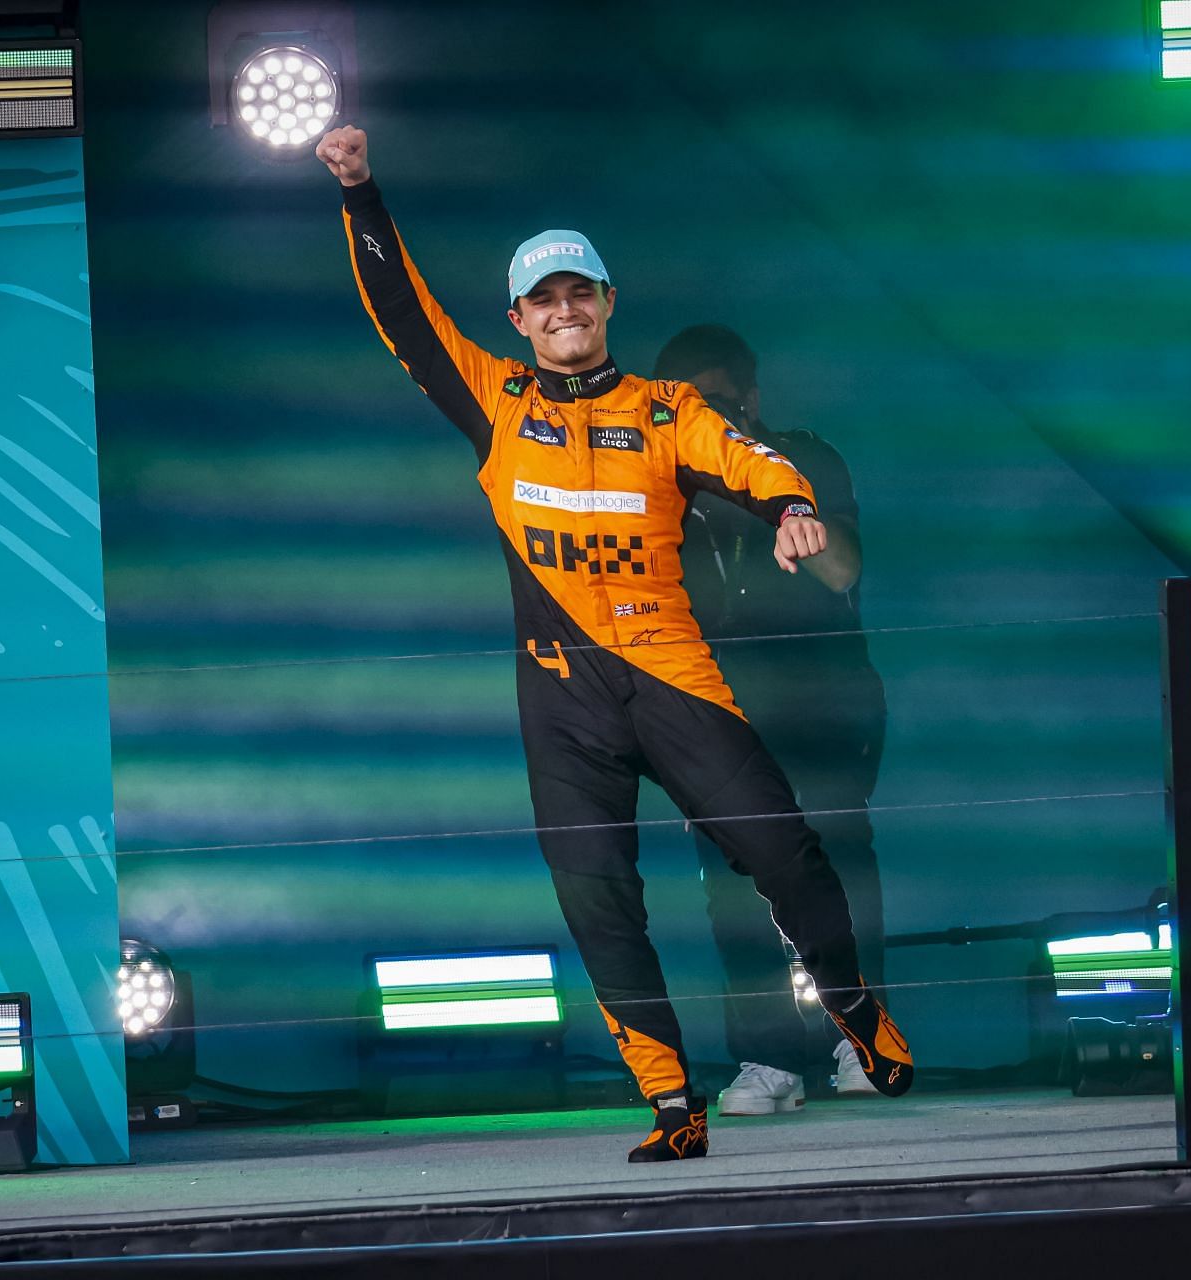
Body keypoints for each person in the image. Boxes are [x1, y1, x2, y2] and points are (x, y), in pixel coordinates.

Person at [316, 125, 913, 1163]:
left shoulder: (665, 408)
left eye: (579, 293)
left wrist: (793, 506)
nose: (564, 312)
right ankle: (673, 1103)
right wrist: (363, 195)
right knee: (599, 901)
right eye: (543, 300)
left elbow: (746, 455)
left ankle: (855, 1005)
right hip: (562, 702)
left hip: (671, 673)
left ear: (606, 304)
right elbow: (403, 315)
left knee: (786, 852)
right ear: (520, 320)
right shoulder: (494, 400)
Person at [656, 325, 890, 1117]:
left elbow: (845, 570)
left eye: (721, 400)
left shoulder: (806, 460)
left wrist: (770, 497)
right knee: (734, 887)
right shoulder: (657, 486)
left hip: (821, 705)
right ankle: (767, 1058)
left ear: (751, 401)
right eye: (692, 405)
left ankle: (860, 1039)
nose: (710, 416)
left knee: (840, 871)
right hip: (716, 714)